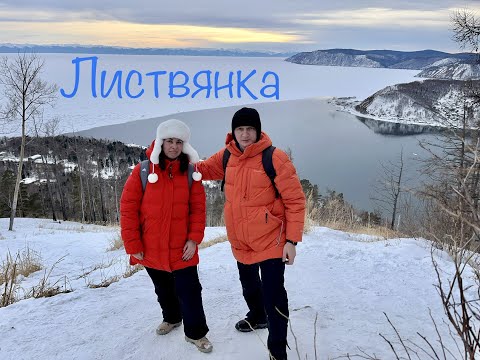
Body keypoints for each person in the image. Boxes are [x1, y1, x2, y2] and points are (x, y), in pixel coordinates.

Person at [196, 107, 305, 360]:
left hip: (272, 240)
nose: (245, 134)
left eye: (250, 129)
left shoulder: (274, 157)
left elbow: (295, 200)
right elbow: (201, 170)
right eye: (240, 129)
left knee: (274, 296)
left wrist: (292, 241)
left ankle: (277, 351)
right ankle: (257, 317)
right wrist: (171, 158)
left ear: (258, 131)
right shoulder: (227, 155)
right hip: (241, 240)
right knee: (249, 287)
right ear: (233, 132)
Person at [120, 119, 212, 353]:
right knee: (163, 289)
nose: (173, 146)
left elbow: (198, 209)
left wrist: (193, 239)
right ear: (161, 142)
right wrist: (133, 244)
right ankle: (172, 318)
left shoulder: (192, 173)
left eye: (178, 142)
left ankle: (196, 333)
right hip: (151, 246)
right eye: (169, 141)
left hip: (183, 247)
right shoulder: (142, 171)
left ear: (184, 145)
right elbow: (128, 209)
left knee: (190, 290)